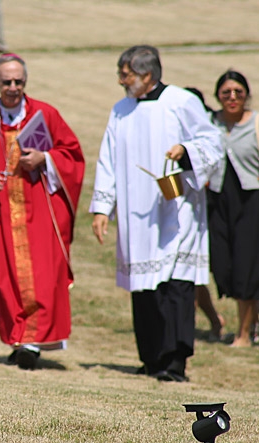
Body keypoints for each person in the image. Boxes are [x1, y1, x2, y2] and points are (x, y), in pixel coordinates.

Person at [90, 45, 223, 382]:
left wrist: (185, 150)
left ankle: (175, 361)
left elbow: (212, 141)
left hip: (176, 210)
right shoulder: (120, 110)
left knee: (176, 285)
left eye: (126, 74)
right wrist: (102, 208)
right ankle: (151, 357)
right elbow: (107, 159)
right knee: (144, 287)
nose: (121, 80)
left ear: (147, 75)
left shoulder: (181, 101)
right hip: (136, 214)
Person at [0, 53, 84, 370]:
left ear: (25, 81)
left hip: (39, 212)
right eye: (7, 81)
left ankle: (32, 343)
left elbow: (72, 156)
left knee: (42, 276)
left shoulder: (46, 114)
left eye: (18, 81)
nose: (13, 87)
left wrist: (44, 159)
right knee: (5, 278)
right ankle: (19, 338)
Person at [207, 70, 259, 348]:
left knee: (247, 265)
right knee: (221, 264)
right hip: (218, 200)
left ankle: (243, 334)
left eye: (238, 93)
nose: (232, 98)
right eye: (226, 93)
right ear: (217, 96)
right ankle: (252, 314)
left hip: (250, 202)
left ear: (246, 95)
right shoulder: (209, 123)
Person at [185, 86, 226, 342]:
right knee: (191, 271)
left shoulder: (210, 129)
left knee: (204, 270)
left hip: (218, 204)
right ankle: (200, 321)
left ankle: (215, 320)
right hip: (194, 205)